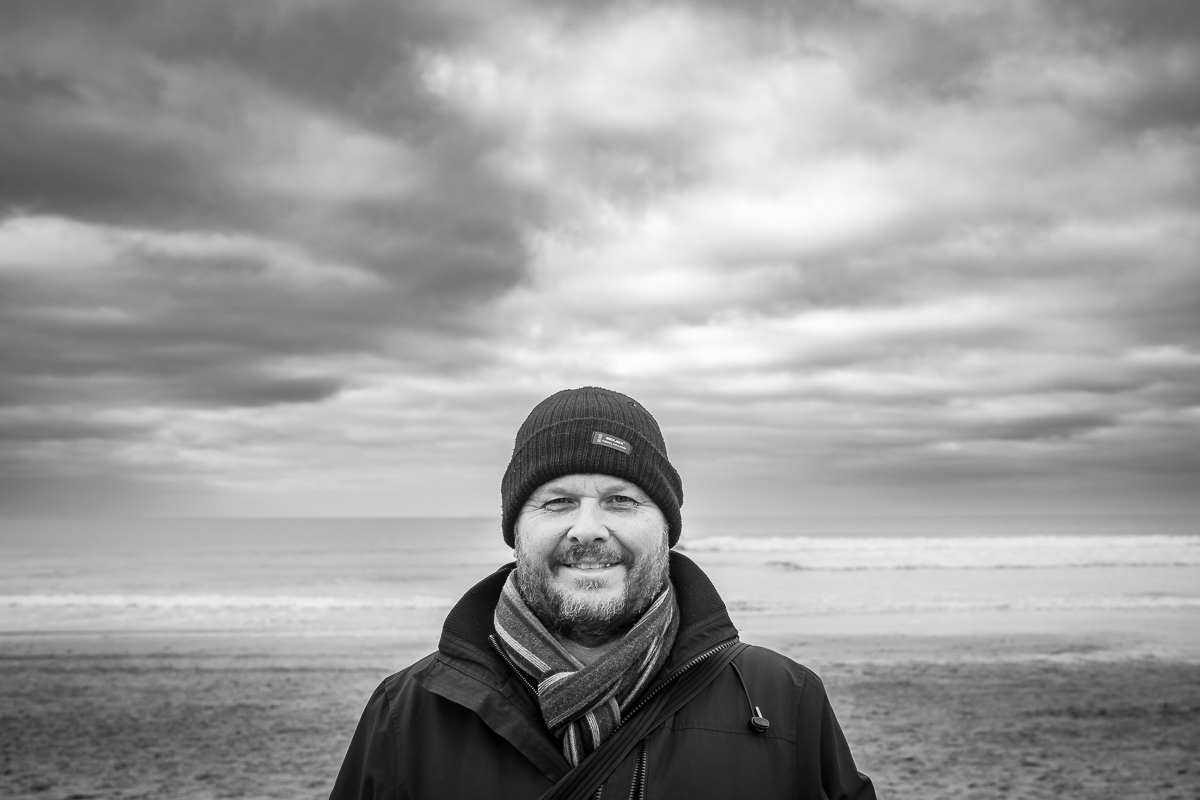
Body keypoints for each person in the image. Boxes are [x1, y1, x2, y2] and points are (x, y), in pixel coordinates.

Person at [331, 387, 876, 799]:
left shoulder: (783, 699)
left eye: (620, 500)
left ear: (666, 528)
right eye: (557, 501)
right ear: (515, 531)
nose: (588, 528)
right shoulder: (408, 714)